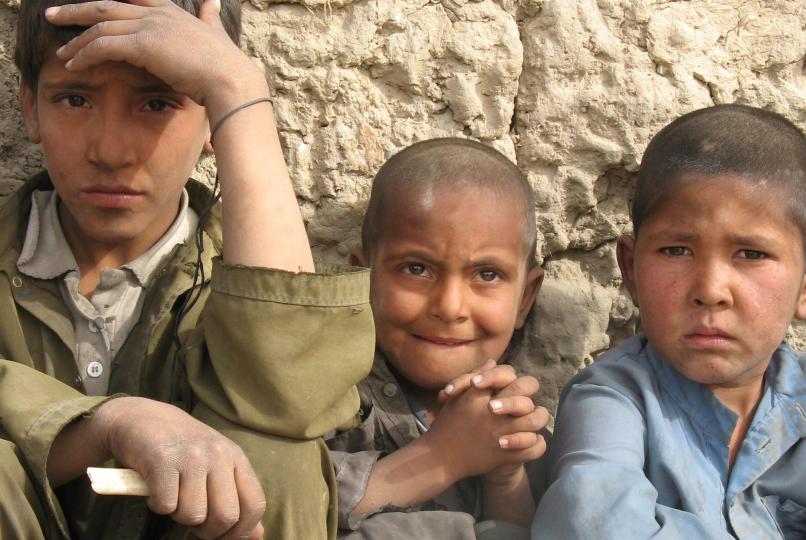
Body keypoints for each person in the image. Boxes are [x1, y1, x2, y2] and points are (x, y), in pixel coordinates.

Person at [1, 0, 373, 538]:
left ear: (211, 123)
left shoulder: (234, 268)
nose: (111, 151)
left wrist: (238, 92)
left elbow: (294, 404)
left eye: (156, 103)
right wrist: (109, 423)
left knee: (277, 460)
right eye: (75, 99)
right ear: (30, 107)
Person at [532, 104, 806, 539]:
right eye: (676, 250)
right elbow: (592, 525)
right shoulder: (612, 400)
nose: (711, 290)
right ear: (631, 270)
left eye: (751, 254)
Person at [326, 138, 550, 539]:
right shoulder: (325, 397)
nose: (449, 307)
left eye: (487, 274)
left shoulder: (517, 419)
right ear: (362, 278)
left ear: (524, 299)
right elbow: (285, 506)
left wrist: (505, 475)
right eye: (416, 268)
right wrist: (442, 457)